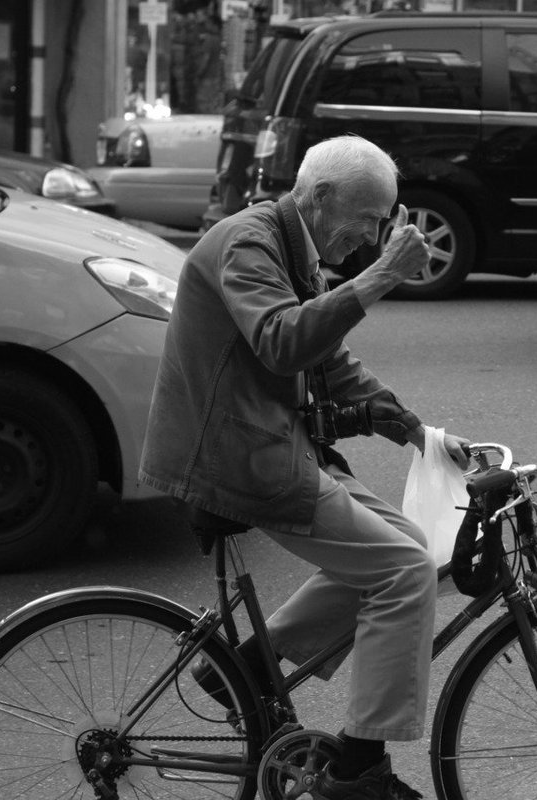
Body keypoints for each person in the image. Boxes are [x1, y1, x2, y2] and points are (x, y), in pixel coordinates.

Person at [139, 134, 470, 800]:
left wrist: (415, 430)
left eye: (384, 224)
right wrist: (379, 279)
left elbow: (328, 361)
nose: (376, 239)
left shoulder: (298, 246)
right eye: (371, 220)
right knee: (404, 570)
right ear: (320, 198)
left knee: (412, 551)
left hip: (269, 444)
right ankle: (357, 771)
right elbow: (283, 340)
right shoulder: (249, 242)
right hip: (235, 457)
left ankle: (247, 663)